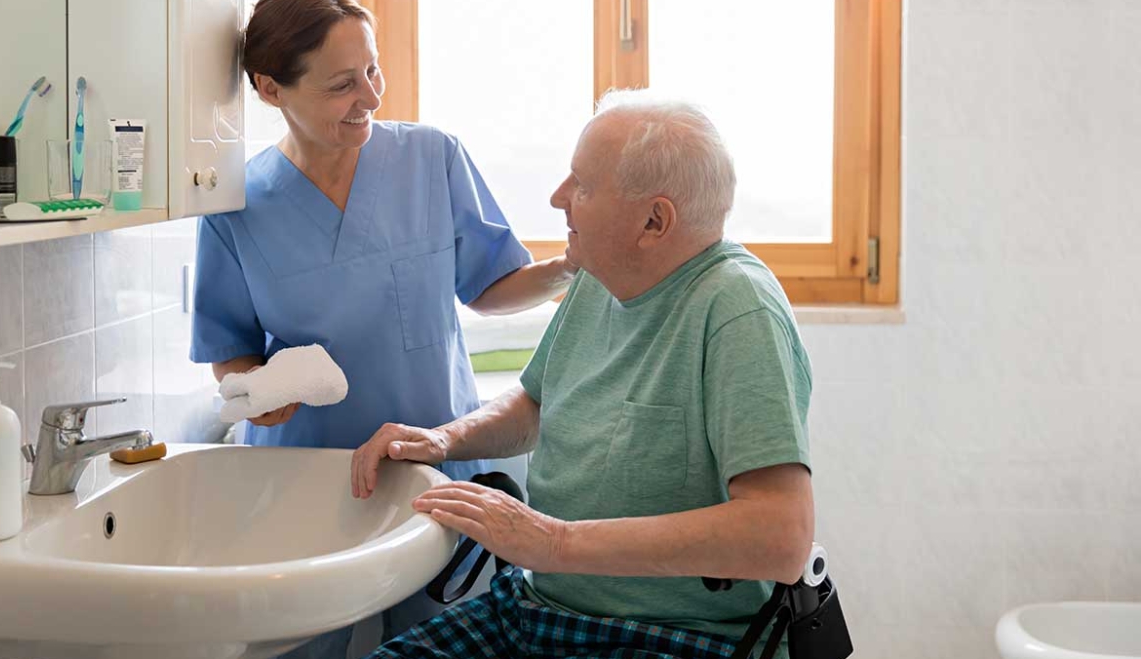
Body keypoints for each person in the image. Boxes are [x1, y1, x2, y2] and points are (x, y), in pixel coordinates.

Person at [352, 89, 816, 659]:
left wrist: (554, 541)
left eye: (583, 186)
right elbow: (534, 405)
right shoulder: (601, 273)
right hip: (536, 610)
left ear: (654, 221)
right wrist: (444, 439)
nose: (558, 198)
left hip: (676, 636)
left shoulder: (737, 309)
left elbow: (779, 538)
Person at [188, 1, 576, 656]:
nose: (369, 95)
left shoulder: (432, 158)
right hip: (304, 488)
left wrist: (572, 267)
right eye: (343, 83)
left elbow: (488, 286)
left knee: (444, 643)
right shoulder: (236, 205)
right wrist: (261, 391)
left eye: (373, 70)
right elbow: (231, 356)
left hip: (433, 473)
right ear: (270, 88)